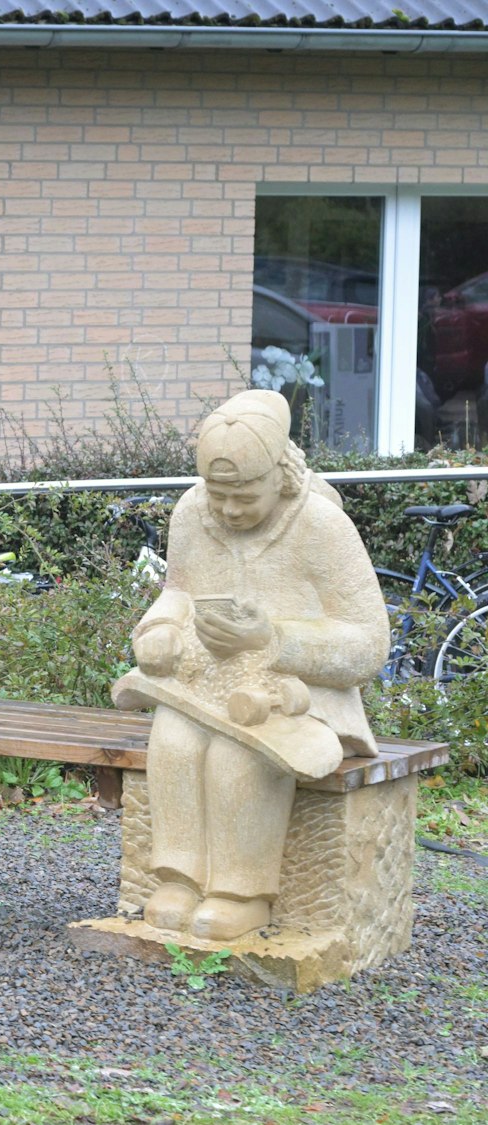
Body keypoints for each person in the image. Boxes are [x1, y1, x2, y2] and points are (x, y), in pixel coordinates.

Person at [119, 391, 387, 941]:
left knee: (239, 751)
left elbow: (369, 643)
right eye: (219, 495)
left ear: (280, 475)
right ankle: (179, 877)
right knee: (173, 738)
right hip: (206, 682)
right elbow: (178, 593)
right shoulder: (193, 513)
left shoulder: (321, 526)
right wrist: (160, 631)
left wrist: (275, 638)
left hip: (302, 693)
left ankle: (241, 891)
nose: (228, 510)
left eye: (244, 496)